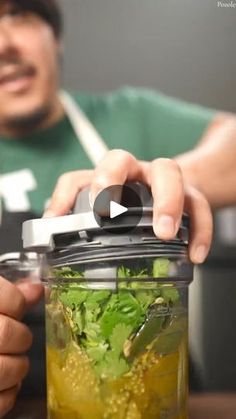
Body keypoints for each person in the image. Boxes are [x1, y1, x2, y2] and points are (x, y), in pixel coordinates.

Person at [0, 0, 236, 415]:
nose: (2, 44)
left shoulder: (128, 115)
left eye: (16, 14)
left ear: (56, 37)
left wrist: (169, 186)